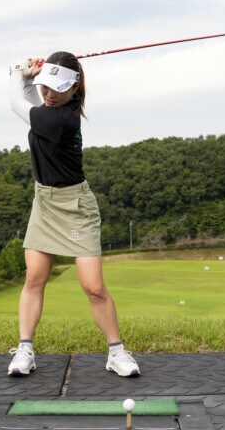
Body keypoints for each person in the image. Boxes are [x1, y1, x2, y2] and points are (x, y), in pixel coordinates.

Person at [7, 52, 140, 378]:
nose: (49, 95)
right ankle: (25, 349)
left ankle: (116, 352)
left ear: (74, 89)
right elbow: (29, 100)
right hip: (45, 203)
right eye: (45, 87)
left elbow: (17, 103)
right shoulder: (50, 109)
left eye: (57, 89)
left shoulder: (62, 119)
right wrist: (29, 79)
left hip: (76, 207)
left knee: (93, 286)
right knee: (34, 278)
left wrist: (15, 72)